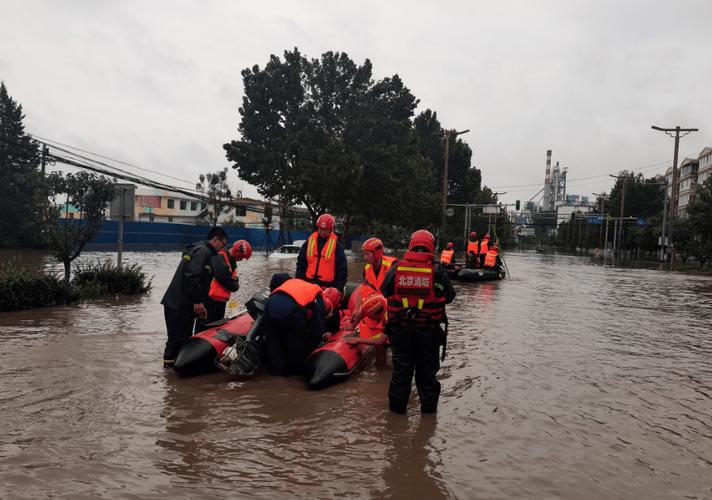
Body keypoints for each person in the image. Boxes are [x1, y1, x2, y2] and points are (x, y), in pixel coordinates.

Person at [381, 229, 456, 414]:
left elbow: (384, 290)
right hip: (428, 332)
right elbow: (450, 296)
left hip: (401, 331)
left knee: (401, 374)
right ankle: (428, 420)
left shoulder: (396, 268)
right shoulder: (437, 271)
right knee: (427, 376)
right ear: (432, 247)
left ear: (411, 245)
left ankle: (396, 419)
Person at [160, 226, 228, 368]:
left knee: (183, 339)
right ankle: (170, 377)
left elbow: (201, 282)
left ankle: (174, 379)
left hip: (183, 305)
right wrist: (198, 301)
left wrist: (200, 303)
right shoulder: (202, 251)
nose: (223, 248)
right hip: (178, 305)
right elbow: (192, 278)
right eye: (223, 243)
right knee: (175, 341)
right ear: (216, 239)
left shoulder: (204, 252)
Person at [263, 274, 338, 376]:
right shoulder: (318, 296)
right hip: (291, 308)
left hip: (270, 304)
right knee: (295, 342)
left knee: (274, 340)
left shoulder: (302, 285)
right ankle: (294, 376)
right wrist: (314, 344)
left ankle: (276, 374)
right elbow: (317, 328)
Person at [201, 239, 253, 327]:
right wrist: (234, 284)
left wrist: (234, 282)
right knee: (205, 325)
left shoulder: (230, 261)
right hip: (210, 301)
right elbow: (223, 277)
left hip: (220, 301)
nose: (241, 260)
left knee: (217, 325)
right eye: (241, 257)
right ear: (237, 252)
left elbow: (233, 278)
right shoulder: (220, 256)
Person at [296, 213, 348, 292]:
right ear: (318, 228)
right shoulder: (309, 242)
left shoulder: (337, 245)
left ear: (331, 229)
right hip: (308, 283)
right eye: (321, 229)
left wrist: (338, 288)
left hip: (328, 287)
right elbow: (301, 263)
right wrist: (300, 280)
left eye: (326, 229)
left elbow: (342, 269)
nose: (323, 232)